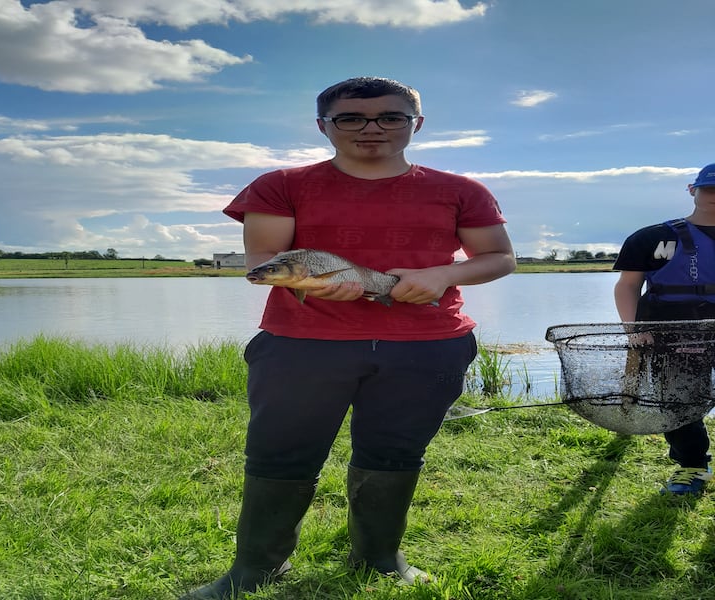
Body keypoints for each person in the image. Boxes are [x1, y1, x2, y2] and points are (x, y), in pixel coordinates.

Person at [180, 76, 516, 599]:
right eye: (351, 118)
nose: (371, 128)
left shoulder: (461, 190)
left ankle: (379, 560)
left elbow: (499, 258)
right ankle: (255, 569)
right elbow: (262, 261)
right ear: (323, 126)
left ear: (417, 124)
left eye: (391, 117)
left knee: (395, 453)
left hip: (427, 343)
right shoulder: (281, 184)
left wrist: (442, 275)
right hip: (301, 342)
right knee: (279, 454)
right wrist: (315, 285)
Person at [613, 162, 715, 495]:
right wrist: (633, 330)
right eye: (710, 189)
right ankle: (692, 466)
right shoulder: (653, 237)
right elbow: (628, 286)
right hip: (670, 329)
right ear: (692, 190)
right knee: (677, 398)